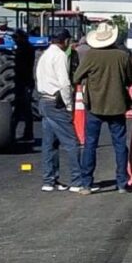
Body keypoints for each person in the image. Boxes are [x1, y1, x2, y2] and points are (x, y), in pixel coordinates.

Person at [73, 21, 132, 193]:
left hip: (95, 106)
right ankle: (122, 182)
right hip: (117, 105)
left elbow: (77, 77)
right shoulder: (122, 56)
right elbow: (130, 80)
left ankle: (86, 183)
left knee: (90, 145)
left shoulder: (91, 55)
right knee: (120, 145)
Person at [35, 29, 84, 193]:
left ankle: (49, 180)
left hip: (44, 99)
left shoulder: (44, 55)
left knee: (50, 143)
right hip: (56, 102)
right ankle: (77, 181)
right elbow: (64, 83)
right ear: (66, 41)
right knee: (72, 142)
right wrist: (69, 105)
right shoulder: (60, 56)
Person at [12, 29, 36, 142]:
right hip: (23, 81)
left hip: (24, 82)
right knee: (20, 109)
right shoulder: (25, 48)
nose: (15, 41)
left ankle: (27, 132)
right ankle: (15, 131)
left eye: (16, 38)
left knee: (24, 109)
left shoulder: (25, 49)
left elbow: (23, 67)